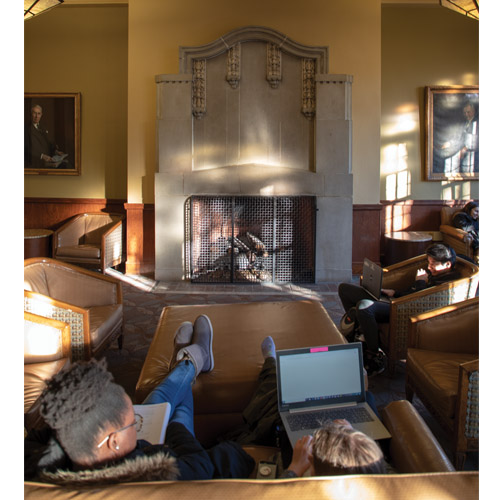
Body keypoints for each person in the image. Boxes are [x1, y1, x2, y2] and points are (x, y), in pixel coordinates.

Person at [24, 315, 254, 485]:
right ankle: (193, 359)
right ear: (114, 442)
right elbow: (211, 461)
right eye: (134, 422)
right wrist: (173, 428)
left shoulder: (36, 464)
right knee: (170, 407)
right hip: (171, 446)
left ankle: (189, 362)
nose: (136, 419)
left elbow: (37, 435)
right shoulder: (154, 471)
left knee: (163, 401)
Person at [223, 336, 386, 478]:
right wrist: (350, 438)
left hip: (290, 457)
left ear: (312, 471)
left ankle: (271, 365)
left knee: (278, 400)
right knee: (367, 397)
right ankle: (271, 367)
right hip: (350, 458)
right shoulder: (380, 480)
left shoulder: (304, 486)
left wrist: (294, 468)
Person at [338, 243, 460, 376]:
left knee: (363, 306)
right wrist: (394, 292)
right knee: (344, 289)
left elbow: (419, 300)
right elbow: (412, 292)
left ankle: (373, 352)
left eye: (433, 264)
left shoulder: (448, 284)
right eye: (429, 262)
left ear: (447, 264)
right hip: (397, 299)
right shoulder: (435, 273)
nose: (429, 267)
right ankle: (358, 326)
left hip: (401, 309)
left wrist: (420, 282)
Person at [24, 104, 69, 169]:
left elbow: (48, 144)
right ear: (31, 114)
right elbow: (26, 149)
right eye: (34, 113)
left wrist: (56, 152)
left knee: (66, 165)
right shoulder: (25, 128)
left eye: (39, 114)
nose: (37, 116)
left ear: (41, 115)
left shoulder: (43, 127)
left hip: (49, 160)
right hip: (36, 162)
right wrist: (42, 156)